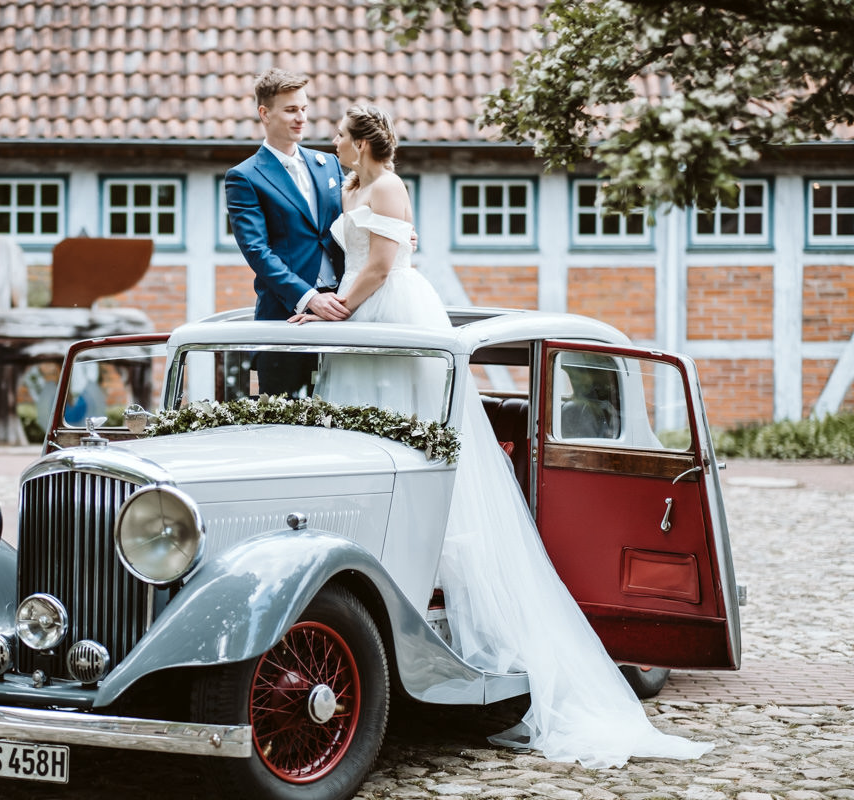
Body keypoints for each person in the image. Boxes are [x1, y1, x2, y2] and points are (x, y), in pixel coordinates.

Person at [297, 104, 714, 768]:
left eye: (341, 138)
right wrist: (320, 302)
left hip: (389, 308)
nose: (335, 147)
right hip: (357, 313)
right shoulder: (350, 188)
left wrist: (339, 309)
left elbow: (381, 262)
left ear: (364, 141)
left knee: (416, 420)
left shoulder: (388, 186)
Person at [225, 68, 348, 396]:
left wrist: (395, 233)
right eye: (291, 110)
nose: (301, 118)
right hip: (285, 319)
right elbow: (256, 251)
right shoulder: (244, 176)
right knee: (284, 424)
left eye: (304, 109)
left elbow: (354, 220)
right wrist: (308, 298)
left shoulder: (329, 164)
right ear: (264, 113)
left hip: (345, 311)